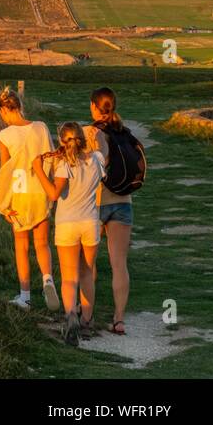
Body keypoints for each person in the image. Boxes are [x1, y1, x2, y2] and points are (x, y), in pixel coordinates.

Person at [32, 122, 105, 346]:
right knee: (87, 273)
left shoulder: (65, 164)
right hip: (90, 223)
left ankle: (71, 316)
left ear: (63, 141)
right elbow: (104, 156)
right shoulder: (97, 160)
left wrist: (38, 169)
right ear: (82, 139)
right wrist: (99, 139)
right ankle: (87, 319)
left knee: (69, 277)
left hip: (67, 224)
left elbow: (54, 194)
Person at [0, 88, 60, 311]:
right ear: (20, 105)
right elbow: (50, 158)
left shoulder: (4, 136)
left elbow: (5, 172)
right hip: (40, 189)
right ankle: (47, 279)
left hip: (19, 194)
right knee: (42, 243)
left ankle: (25, 296)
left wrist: (3, 205)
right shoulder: (40, 127)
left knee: (21, 246)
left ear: (5, 109)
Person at [85, 87, 132, 336]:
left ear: (94, 106)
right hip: (124, 201)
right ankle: (119, 319)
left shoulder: (89, 133)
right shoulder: (124, 131)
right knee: (119, 264)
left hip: (95, 202)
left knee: (89, 263)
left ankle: (87, 315)